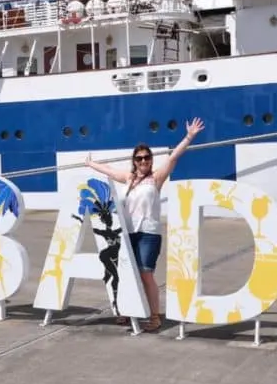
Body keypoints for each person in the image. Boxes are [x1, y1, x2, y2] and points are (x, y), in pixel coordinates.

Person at [85, 117, 205, 332]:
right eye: (139, 159)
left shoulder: (156, 178)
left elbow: (174, 157)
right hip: (128, 234)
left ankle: (154, 316)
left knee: (145, 274)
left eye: (147, 158)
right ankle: (126, 311)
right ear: (134, 161)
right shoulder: (128, 178)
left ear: (151, 160)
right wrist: (90, 164)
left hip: (149, 234)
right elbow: (109, 171)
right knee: (125, 273)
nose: (143, 162)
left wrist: (189, 136)